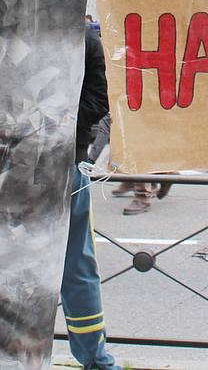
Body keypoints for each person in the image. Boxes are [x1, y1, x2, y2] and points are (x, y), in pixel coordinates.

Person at [59, 26, 120, 369]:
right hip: (64, 163)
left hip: (66, 165)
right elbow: (100, 98)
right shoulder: (84, 37)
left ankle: (95, 360)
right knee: (77, 268)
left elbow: (100, 99)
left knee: (76, 269)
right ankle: (96, 360)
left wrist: (50, 127)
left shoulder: (83, 38)